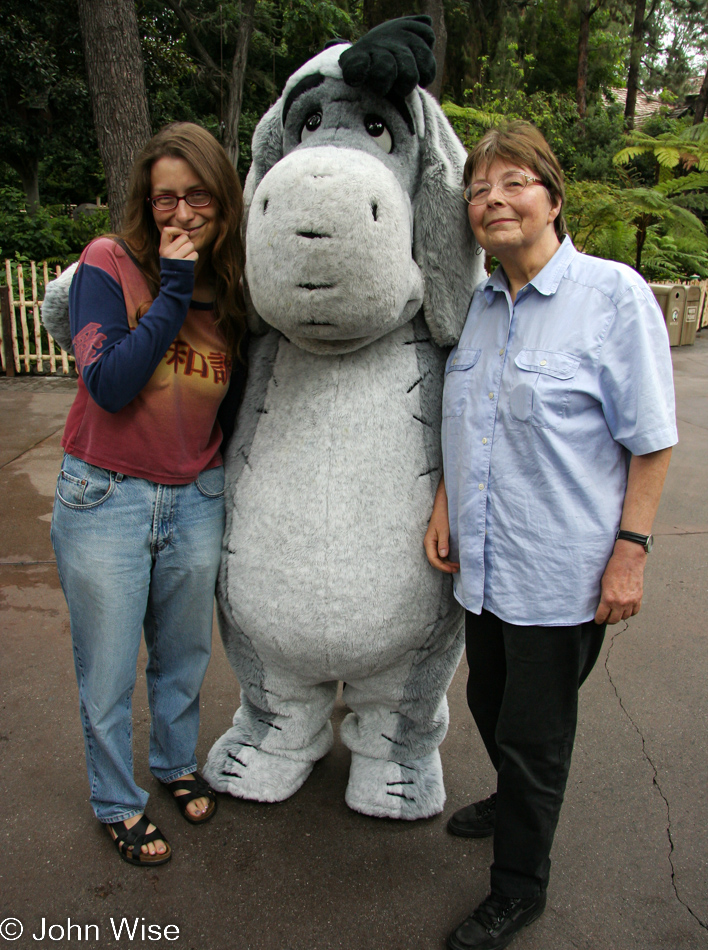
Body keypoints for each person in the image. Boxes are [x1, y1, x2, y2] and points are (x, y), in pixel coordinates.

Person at [424, 121, 677, 950]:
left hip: (562, 572)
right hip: (487, 566)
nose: (492, 200)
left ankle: (519, 887)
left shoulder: (612, 296)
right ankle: (513, 795)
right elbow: (466, 426)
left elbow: (651, 438)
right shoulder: (483, 308)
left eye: (513, 183)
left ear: (553, 198)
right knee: (487, 701)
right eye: (478, 190)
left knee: (535, 735)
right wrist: (442, 502)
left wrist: (630, 555)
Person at [51, 122, 246, 866]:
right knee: (105, 668)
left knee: (184, 656)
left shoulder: (231, 289)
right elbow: (107, 383)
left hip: (195, 494)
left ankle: (173, 762)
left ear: (223, 201)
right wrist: (170, 288)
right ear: (146, 201)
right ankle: (116, 801)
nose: (181, 212)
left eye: (198, 195)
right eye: (165, 198)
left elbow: (232, 397)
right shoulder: (108, 263)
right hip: (106, 498)